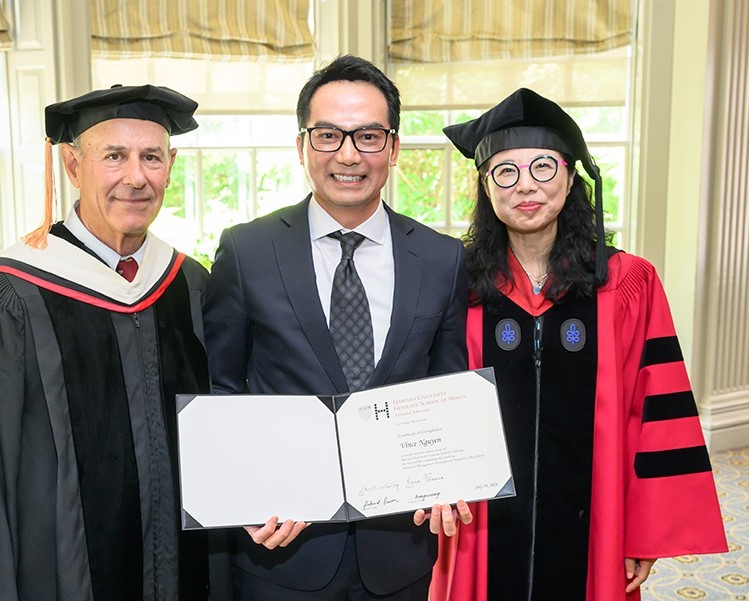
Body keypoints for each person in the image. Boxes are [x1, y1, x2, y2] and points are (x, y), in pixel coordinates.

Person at [0, 84, 212, 600]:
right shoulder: (1, 295)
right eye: (113, 156)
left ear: (171, 164)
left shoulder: (188, 285)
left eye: (151, 157)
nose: (136, 177)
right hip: (50, 573)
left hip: (179, 564)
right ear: (72, 166)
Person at [430, 88, 728, 601]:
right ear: (485, 185)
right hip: (478, 530)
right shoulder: (456, 284)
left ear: (571, 177)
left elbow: (654, 413)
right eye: (506, 171)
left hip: (594, 526)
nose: (526, 186)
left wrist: (643, 530)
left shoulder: (627, 284)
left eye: (544, 168)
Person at [202, 54, 472, 601]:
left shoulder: (442, 259)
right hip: (280, 549)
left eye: (369, 135)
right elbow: (221, 389)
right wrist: (243, 494)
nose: (348, 154)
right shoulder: (247, 250)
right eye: (328, 135)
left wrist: (450, 476)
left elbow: (448, 389)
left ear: (393, 148)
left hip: (399, 550)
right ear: (302, 145)